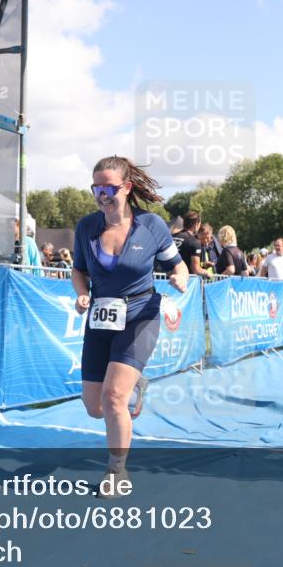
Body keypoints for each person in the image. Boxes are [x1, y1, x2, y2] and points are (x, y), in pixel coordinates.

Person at [71, 156, 188, 497]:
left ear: (126, 187)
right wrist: (81, 294)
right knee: (94, 408)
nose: (102, 195)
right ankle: (133, 384)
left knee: (112, 398)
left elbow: (177, 266)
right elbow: (79, 270)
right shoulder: (86, 227)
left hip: (140, 314)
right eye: (97, 188)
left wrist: (180, 279)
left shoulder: (151, 225)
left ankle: (116, 471)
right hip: (100, 316)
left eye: (109, 188)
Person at [172, 211, 209, 280]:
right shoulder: (194, 242)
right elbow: (196, 269)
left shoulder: (171, 237)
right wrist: (207, 273)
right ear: (196, 224)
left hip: (165, 281)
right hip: (184, 283)